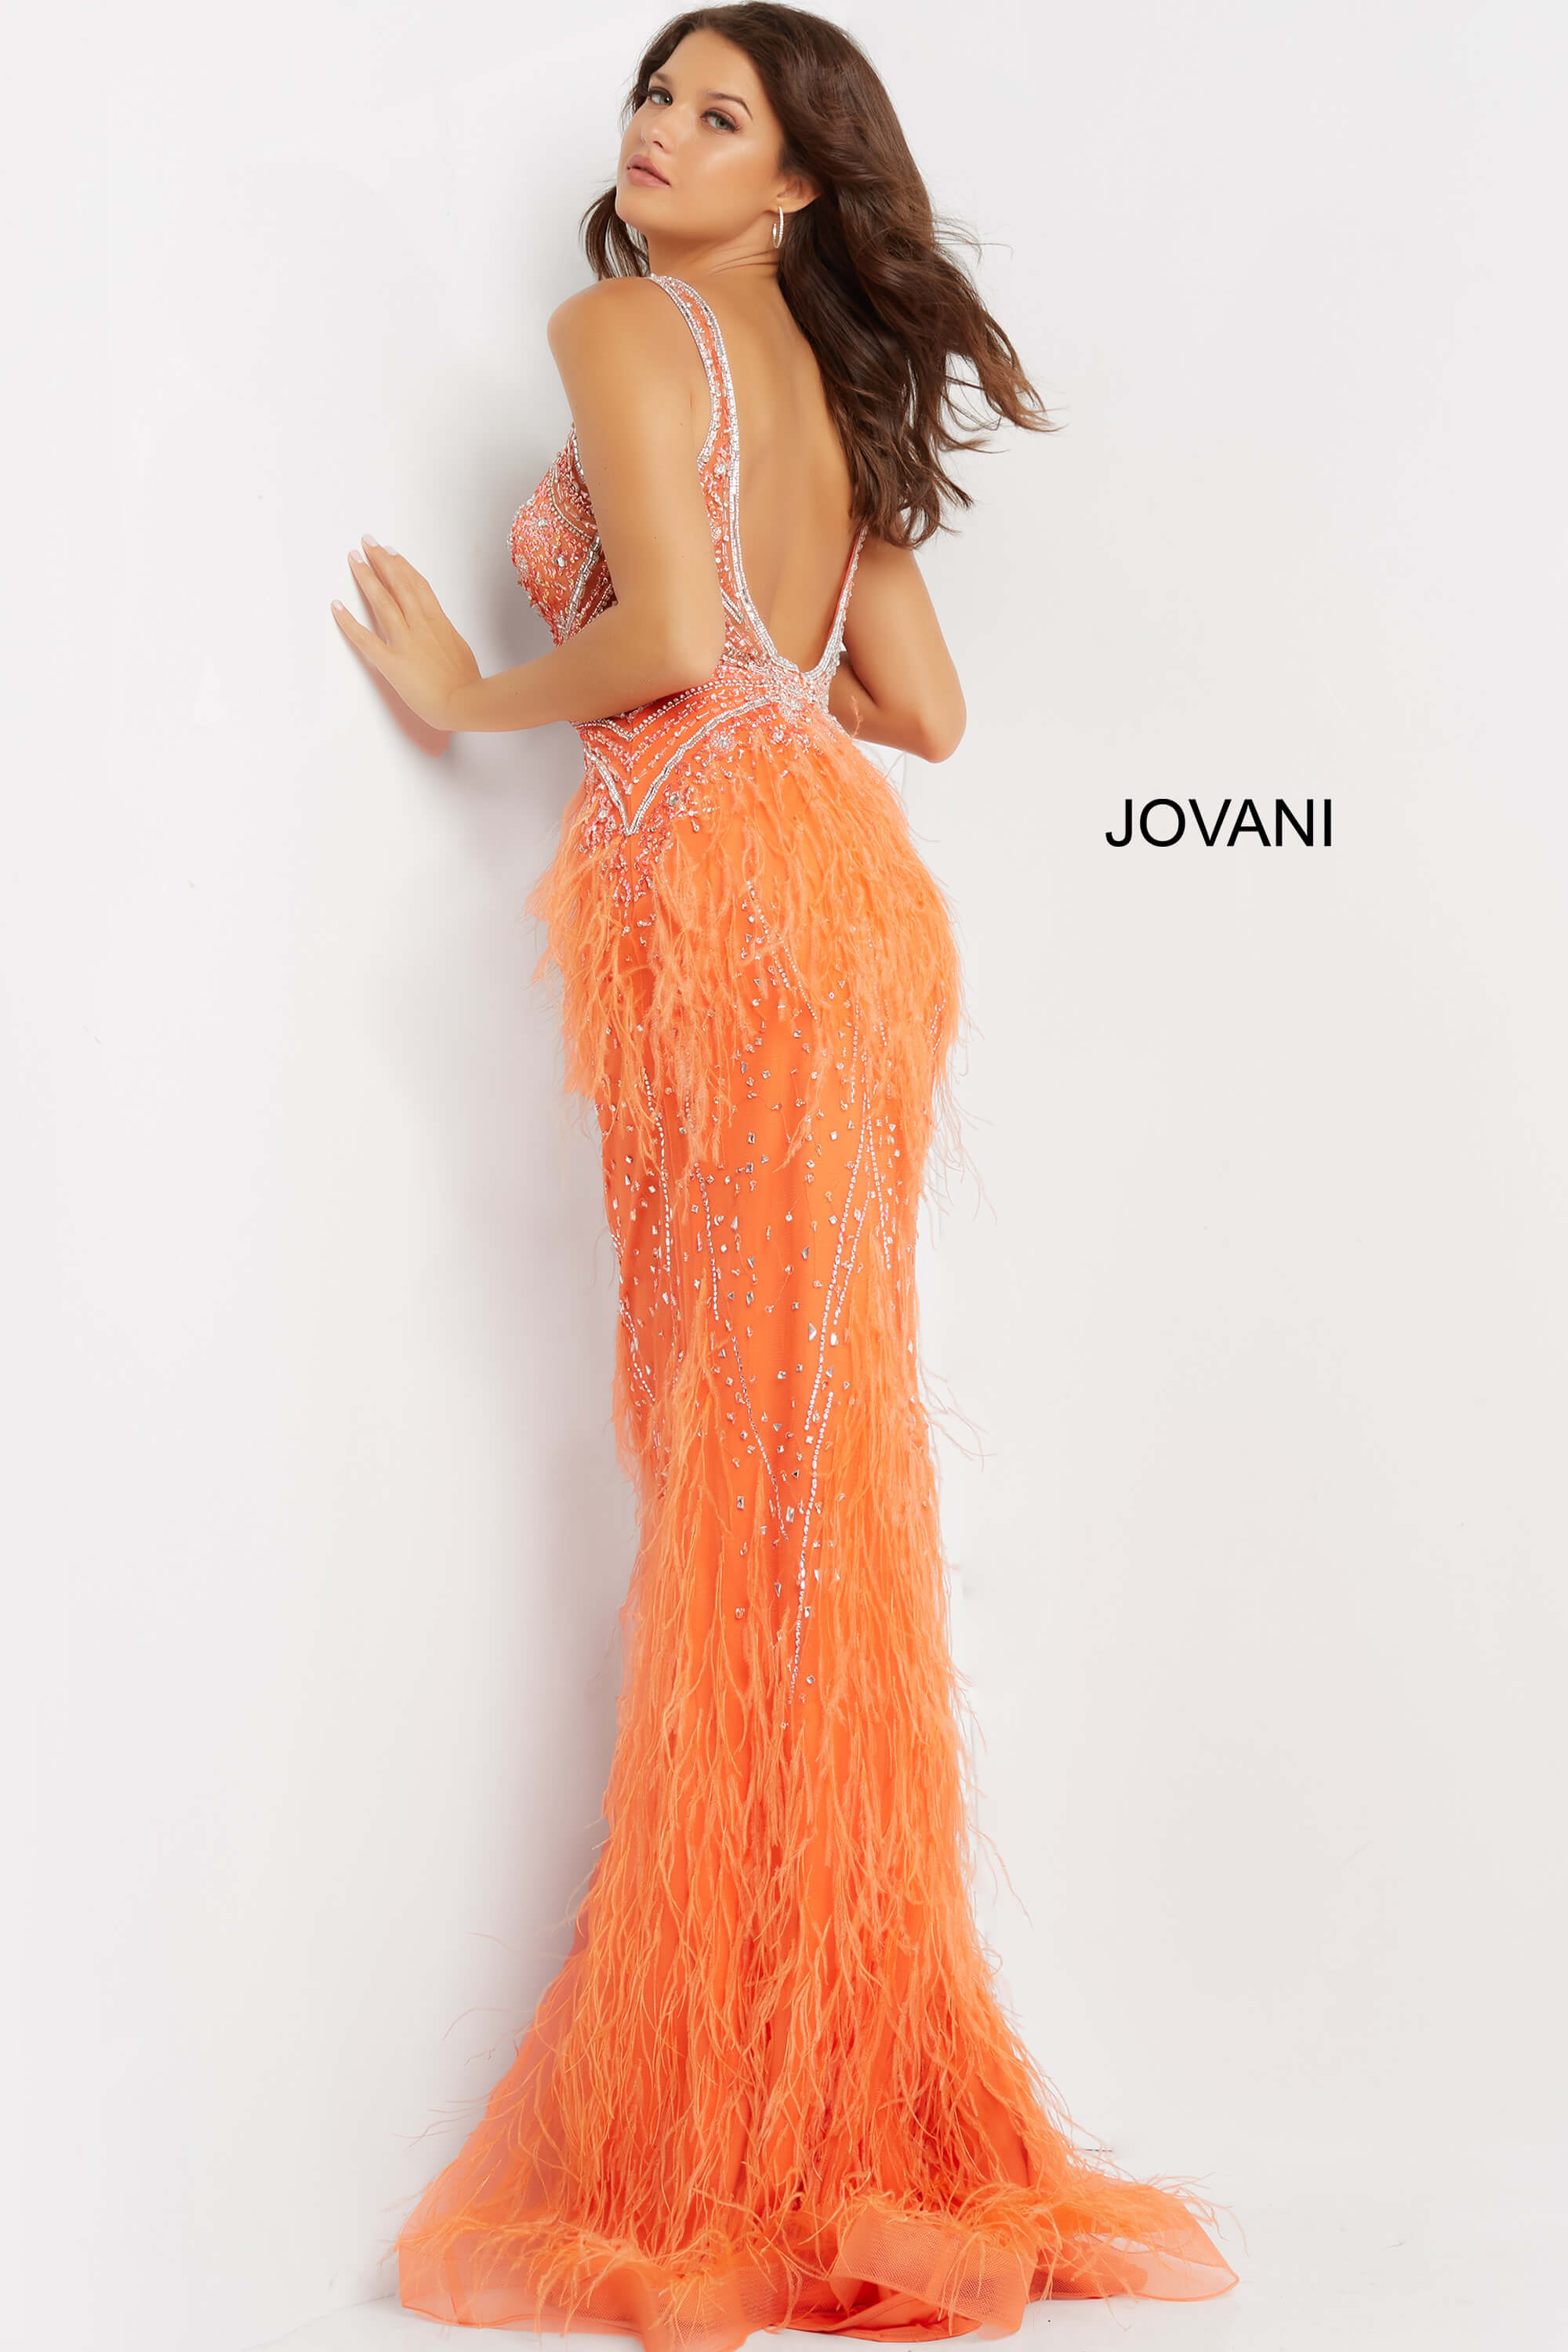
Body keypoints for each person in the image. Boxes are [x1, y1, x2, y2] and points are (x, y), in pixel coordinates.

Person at [332, 9, 1240, 2346]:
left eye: (715, 113)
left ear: (803, 177)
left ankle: (755, 2097)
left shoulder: (624, 326)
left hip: (723, 914)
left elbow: (655, 631)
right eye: (654, 97)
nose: (657, 132)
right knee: (807, 1458)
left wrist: (467, 701)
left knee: (741, 1462)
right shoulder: (831, 388)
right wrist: (771, 671)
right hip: (847, 908)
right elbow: (918, 711)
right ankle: (824, 2056)